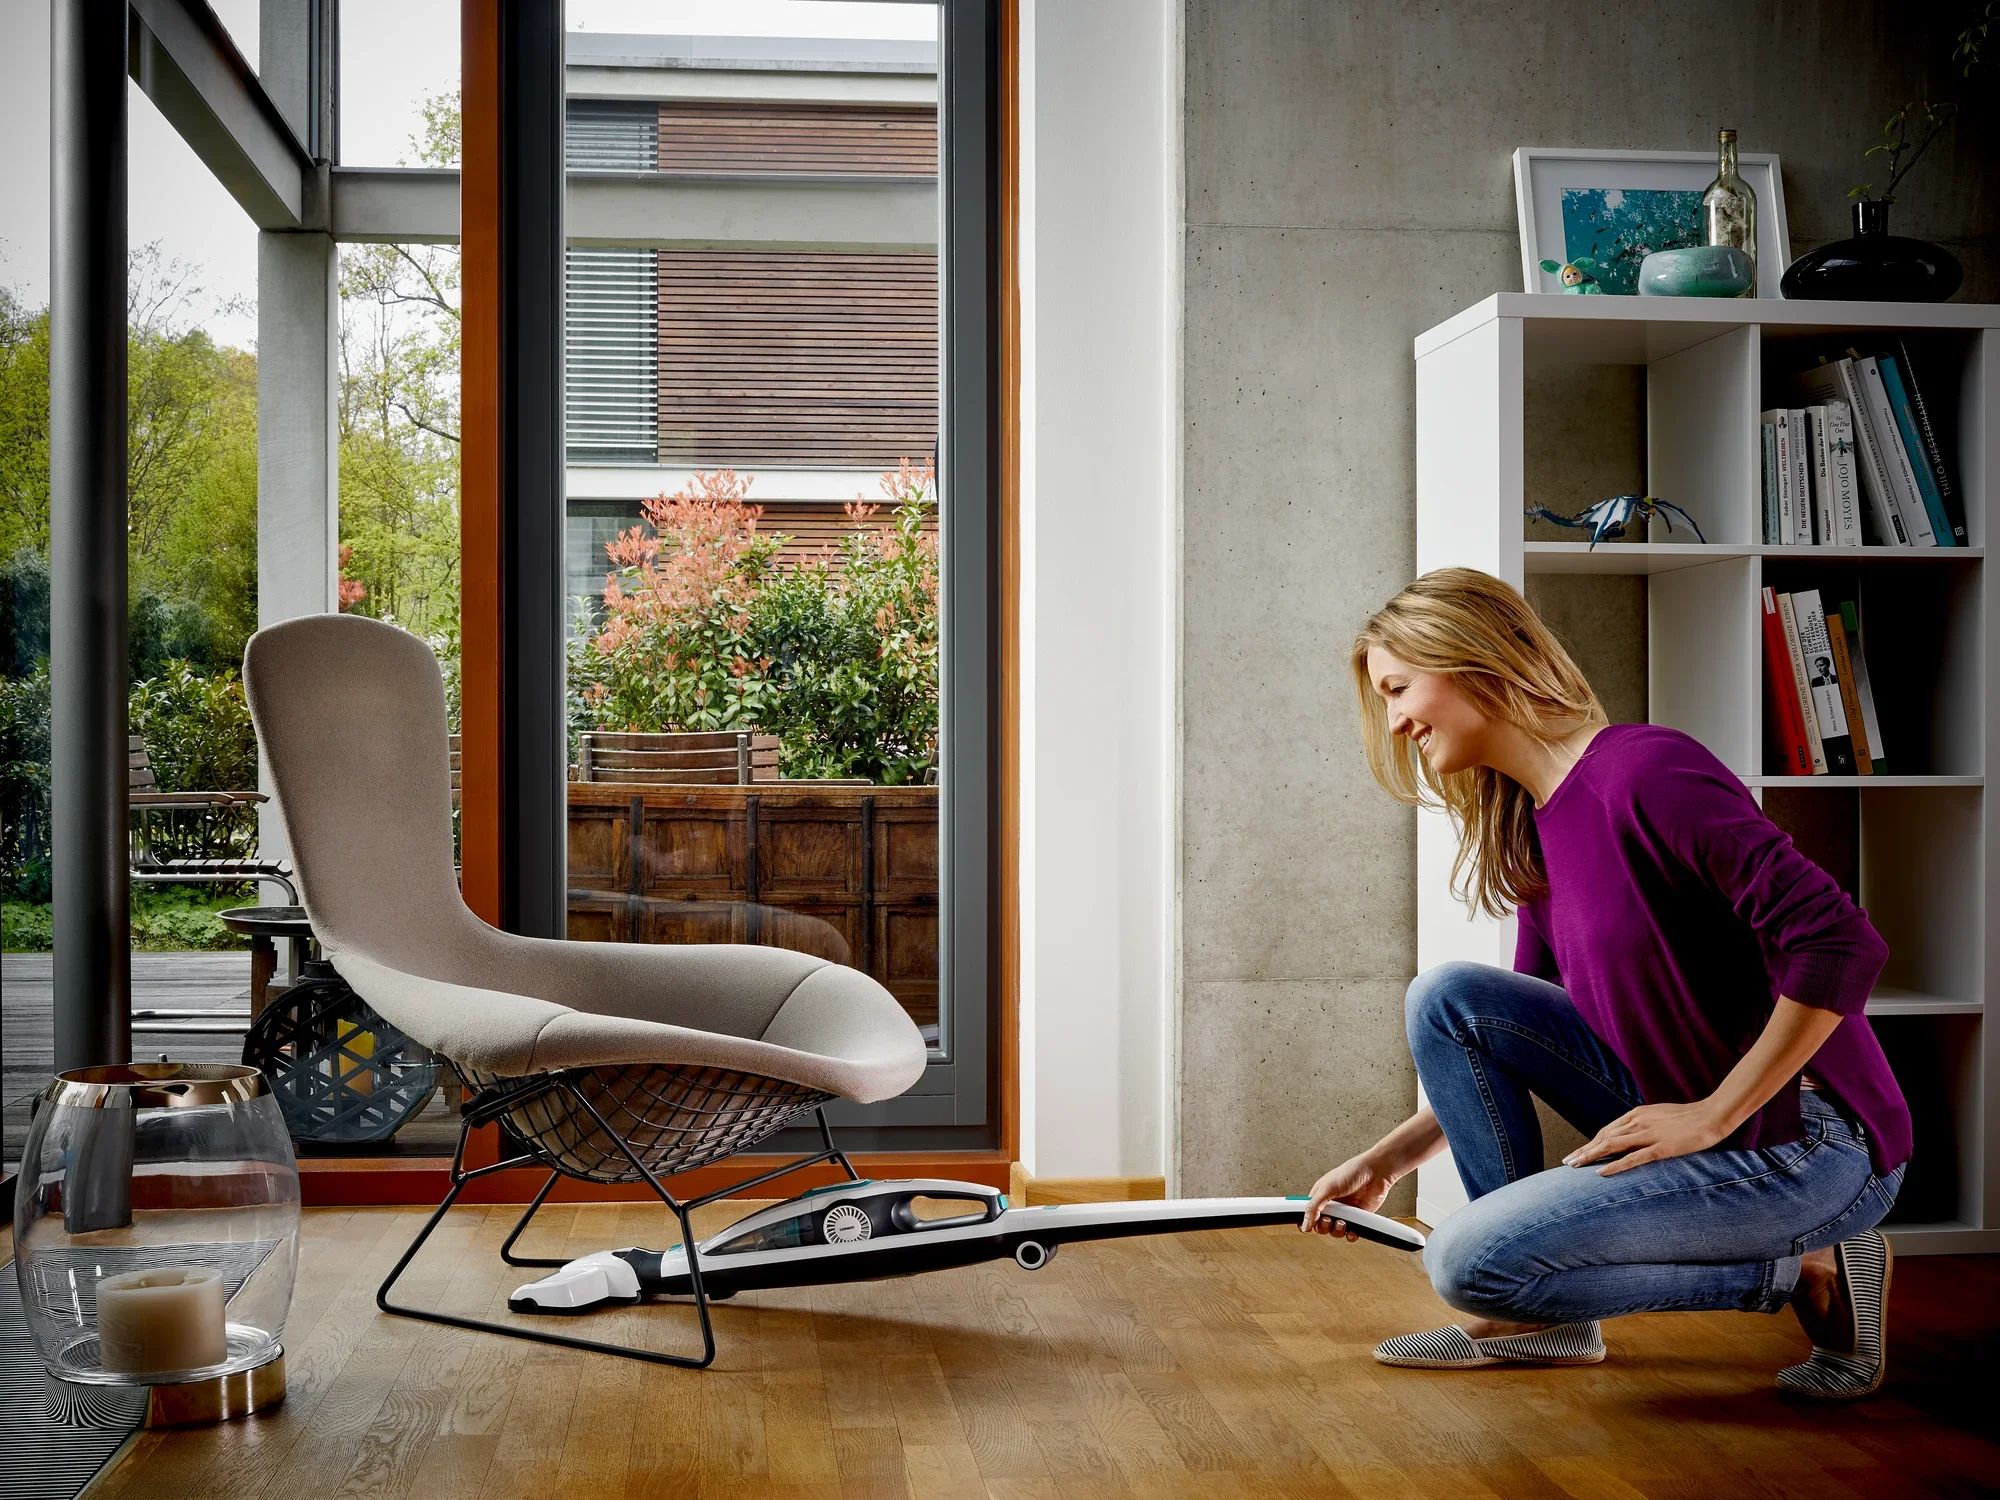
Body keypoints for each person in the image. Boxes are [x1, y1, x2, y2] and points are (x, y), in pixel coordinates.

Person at [1302, 567, 1910, 1400]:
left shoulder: (1648, 771)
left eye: (1401, 688)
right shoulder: (1534, 828)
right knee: (1448, 999)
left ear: (1471, 658)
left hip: (1812, 1144)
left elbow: (1841, 943)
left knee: (1462, 1260)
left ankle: (1802, 1267)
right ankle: (1537, 1317)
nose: (1397, 720)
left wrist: (1713, 1115)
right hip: (1690, 1113)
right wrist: (1387, 1160)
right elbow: (1496, 1048)